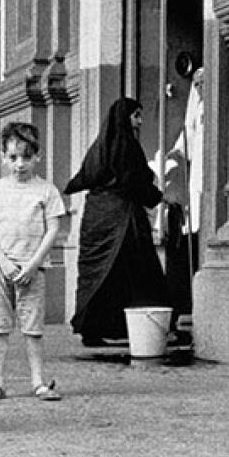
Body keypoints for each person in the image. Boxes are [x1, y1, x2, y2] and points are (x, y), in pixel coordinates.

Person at [63, 97, 170, 346]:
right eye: (136, 116)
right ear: (125, 117)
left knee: (98, 274)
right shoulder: (128, 147)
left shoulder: (99, 147)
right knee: (139, 272)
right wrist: (159, 197)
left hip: (96, 217)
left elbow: (85, 177)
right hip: (123, 219)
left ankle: (92, 328)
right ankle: (145, 328)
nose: (140, 121)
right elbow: (135, 183)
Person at [0, 121, 66, 402]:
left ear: (37, 156)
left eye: (27, 157)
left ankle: (39, 381)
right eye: (13, 157)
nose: (20, 164)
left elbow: (53, 229)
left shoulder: (46, 191)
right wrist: (2, 262)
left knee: (33, 327)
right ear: (3, 157)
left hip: (32, 268)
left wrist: (33, 263)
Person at [162, 68, 203, 341]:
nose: (200, 87)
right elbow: (186, 138)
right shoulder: (196, 108)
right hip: (196, 179)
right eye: (197, 83)